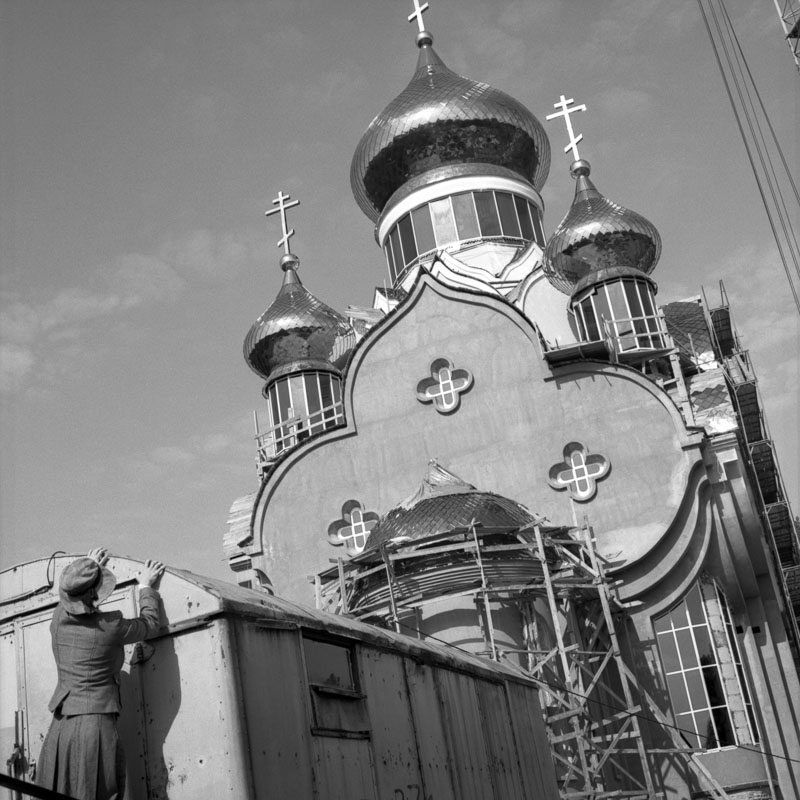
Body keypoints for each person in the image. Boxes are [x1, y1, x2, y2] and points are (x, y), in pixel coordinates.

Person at [36, 548, 165, 800]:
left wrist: (86, 569)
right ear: (95, 593)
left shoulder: (57, 620)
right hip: (95, 726)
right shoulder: (112, 626)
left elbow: (77, 606)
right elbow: (150, 625)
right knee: (96, 791)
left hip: (61, 725)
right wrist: (145, 588)